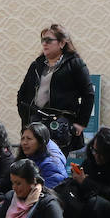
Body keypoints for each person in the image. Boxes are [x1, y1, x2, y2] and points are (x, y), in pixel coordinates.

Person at [16, 23, 95, 156]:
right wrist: (26, 118)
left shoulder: (75, 64)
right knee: (31, 162)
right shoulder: (36, 65)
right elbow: (22, 94)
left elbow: (88, 95)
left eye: (48, 40)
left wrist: (81, 123)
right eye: (43, 40)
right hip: (36, 123)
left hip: (60, 124)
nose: (44, 44)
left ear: (62, 43)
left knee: (53, 161)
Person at [17, 122, 67, 190]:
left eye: (29, 139)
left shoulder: (51, 165)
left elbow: (50, 192)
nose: (24, 143)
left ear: (40, 142)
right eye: (23, 138)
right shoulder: (31, 156)